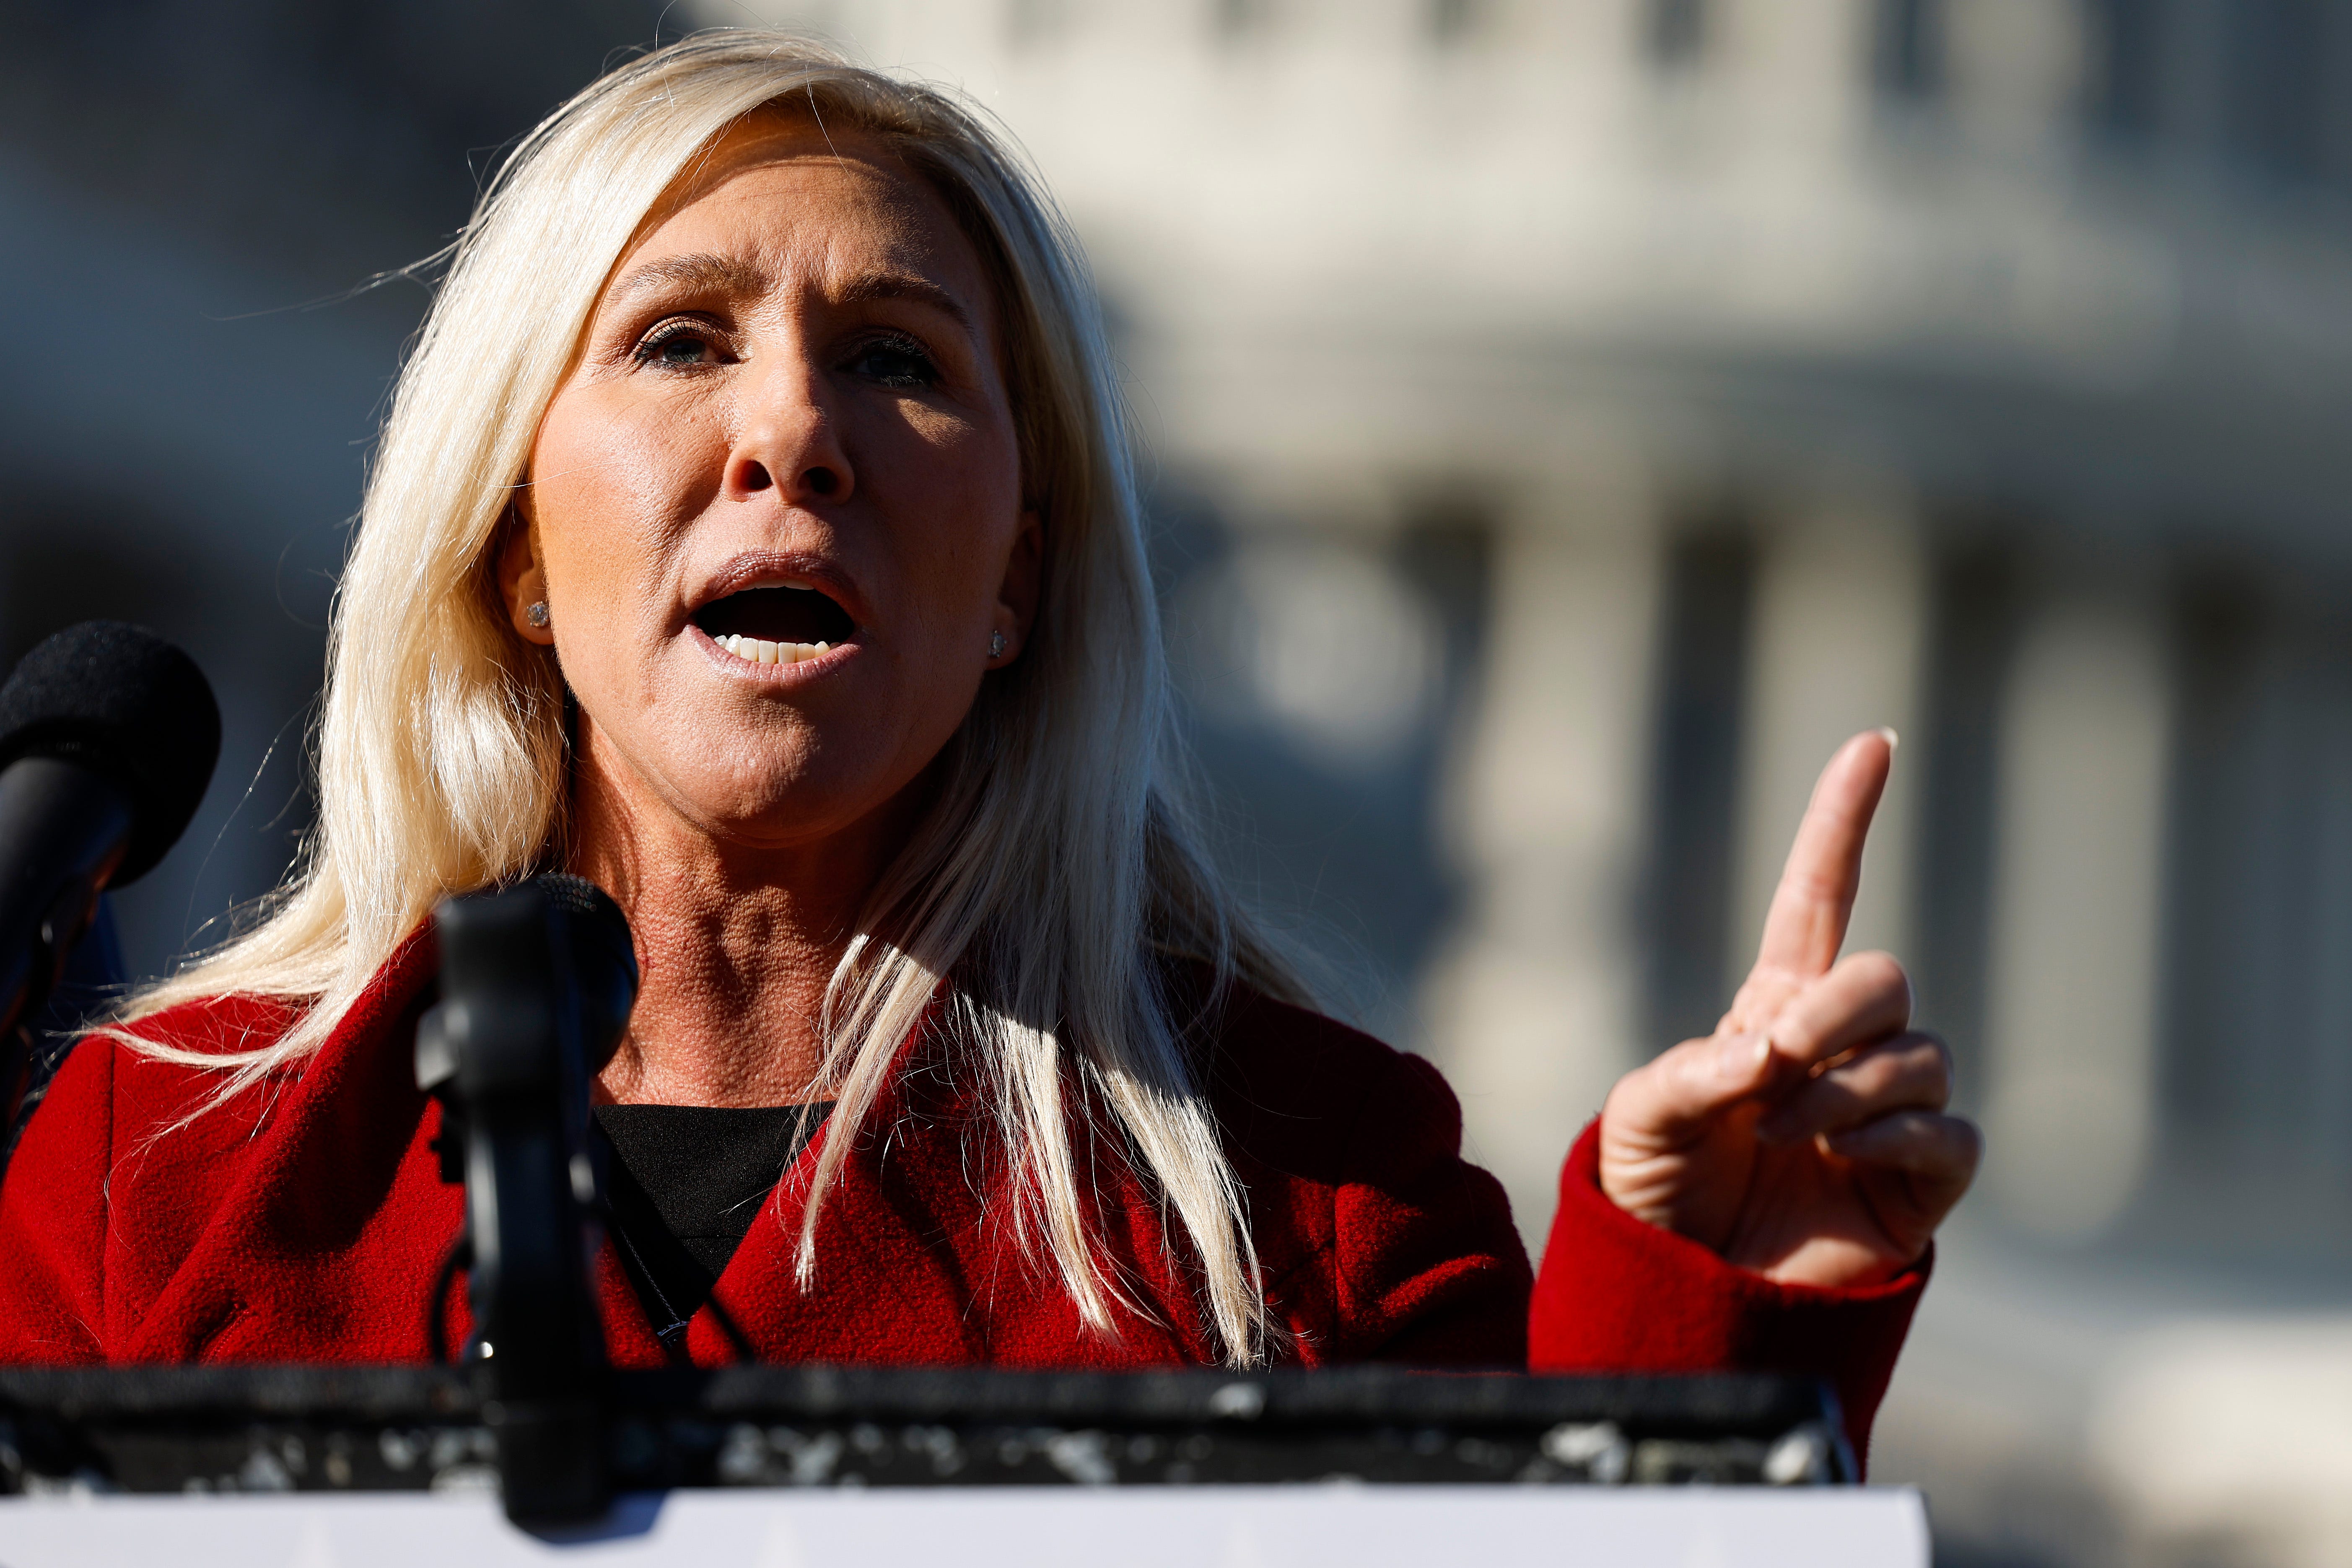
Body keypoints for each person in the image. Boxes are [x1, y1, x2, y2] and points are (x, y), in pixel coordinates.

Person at [0, 32, 1976, 1464]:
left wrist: (1710, 1331)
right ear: (517, 548)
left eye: (899, 361)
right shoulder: (154, 1165)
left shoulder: (1307, 1193)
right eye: (681, 342)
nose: (794, 435)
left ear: (1019, 581)